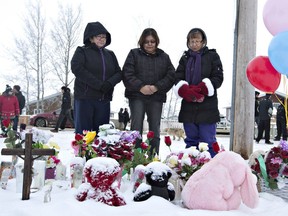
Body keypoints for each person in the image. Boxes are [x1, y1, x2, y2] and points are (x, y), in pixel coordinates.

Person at [122, 28, 175, 155]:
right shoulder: (134, 54)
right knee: (136, 128)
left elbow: (171, 75)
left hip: (156, 97)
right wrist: (141, 87)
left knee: (155, 129)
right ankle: (135, 157)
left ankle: (153, 157)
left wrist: (156, 87)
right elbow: (127, 73)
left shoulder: (164, 57)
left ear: (156, 42)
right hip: (136, 96)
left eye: (152, 41)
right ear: (142, 42)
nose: (149, 44)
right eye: (146, 41)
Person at [173, 28, 223, 158]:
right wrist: (186, 91)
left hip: (207, 107)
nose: (194, 44)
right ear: (188, 42)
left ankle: (211, 168)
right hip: (189, 107)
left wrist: (202, 89)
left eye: (197, 41)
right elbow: (177, 77)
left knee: (208, 142)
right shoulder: (184, 58)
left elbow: (218, 77)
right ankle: (191, 170)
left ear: (203, 42)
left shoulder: (212, 56)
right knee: (191, 142)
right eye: (192, 41)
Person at [71, 21, 122, 134]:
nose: (102, 39)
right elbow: (77, 68)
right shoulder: (82, 51)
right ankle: (82, 152)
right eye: (98, 36)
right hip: (85, 99)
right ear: (91, 38)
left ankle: (98, 152)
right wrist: (99, 85)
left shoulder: (110, 54)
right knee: (84, 135)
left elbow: (118, 73)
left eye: (104, 36)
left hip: (104, 100)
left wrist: (109, 84)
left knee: (101, 135)